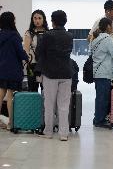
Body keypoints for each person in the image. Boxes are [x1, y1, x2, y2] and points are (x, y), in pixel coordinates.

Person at [37, 10, 74, 141]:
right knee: (64, 105)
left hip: (50, 73)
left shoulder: (47, 35)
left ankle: (48, 132)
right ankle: (63, 133)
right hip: (66, 73)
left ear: (52, 21)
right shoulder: (70, 36)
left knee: (49, 104)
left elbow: (39, 52)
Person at [91, 18, 113, 128]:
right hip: (105, 72)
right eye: (111, 26)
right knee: (103, 98)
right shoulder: (107, 39)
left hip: (98, 71)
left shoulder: (95, 38)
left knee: (100, 97)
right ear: (108, 27)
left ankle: (98, 118)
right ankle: (99, 120)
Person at [0, 12, 28, 130]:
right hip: (12, 70)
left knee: (0, 94)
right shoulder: (14, 36)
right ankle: (10, 123)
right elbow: (20, 53)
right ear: (12, 21)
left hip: (1, 69)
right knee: (10, 95)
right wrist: (26, 57)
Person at [23, 9, 49, 92]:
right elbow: (26, 50)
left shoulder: (48, 33)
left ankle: (44, 105)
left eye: (39, 18)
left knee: (45, 90)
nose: (37, 20)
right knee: (32, 89)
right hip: (32, 65)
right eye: (35, 18)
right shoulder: (29, 33)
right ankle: (33, 105)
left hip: (45, 65)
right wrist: (27, 62)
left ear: (43, 19)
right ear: (32, 19)